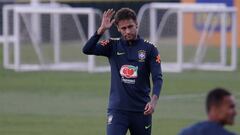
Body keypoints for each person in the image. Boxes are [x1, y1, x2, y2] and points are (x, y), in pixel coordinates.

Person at [82, 8, 163, 135]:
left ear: (137, 24)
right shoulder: (112, 45)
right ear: (118, 29)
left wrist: (153, 102)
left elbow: (157, 77)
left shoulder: (150, 48)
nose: (128, 31)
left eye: (130, 26)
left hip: (141, 111)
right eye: (123, 28)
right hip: (117, 111)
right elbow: (87, 49)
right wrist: (101, 30)